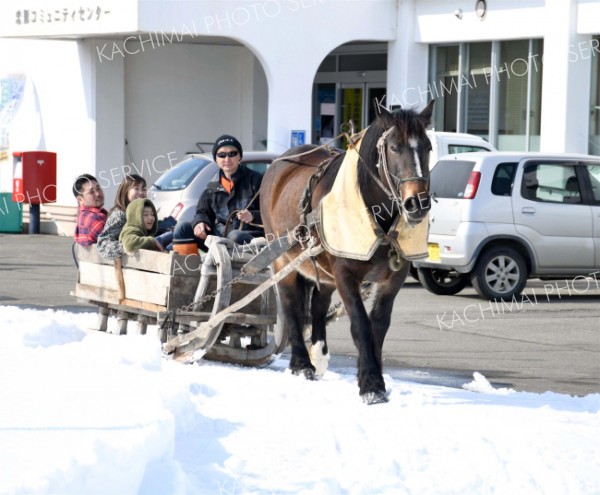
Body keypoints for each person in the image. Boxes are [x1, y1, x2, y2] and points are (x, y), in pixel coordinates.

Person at [173, 134, 264, 252]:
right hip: (219, 237)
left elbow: (272, 212)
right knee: (182, 228)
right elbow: (202, 212)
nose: (227, 159)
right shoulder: (212, 185)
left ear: (240, 156)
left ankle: (232, 269)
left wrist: (253, 216)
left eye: (232, 154)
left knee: (235, 236)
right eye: (222, 155)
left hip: (247, 238)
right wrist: (200, 222)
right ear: (216, 159)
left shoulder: (257, 180)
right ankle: (187, 268)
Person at [97, 174, 175, 260]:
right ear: (125, 191)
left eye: (144, 189)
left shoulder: (142, 212)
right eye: (136, 188)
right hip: (133, 262)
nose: (141, 192)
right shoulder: (120, 215)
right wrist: (126, 247)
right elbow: (102, 245)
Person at [73, 174, 107, 246]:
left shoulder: (82, 216)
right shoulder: (94, 218)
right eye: (91, 192)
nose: (98, 194)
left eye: (98, 188)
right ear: (80, 199)